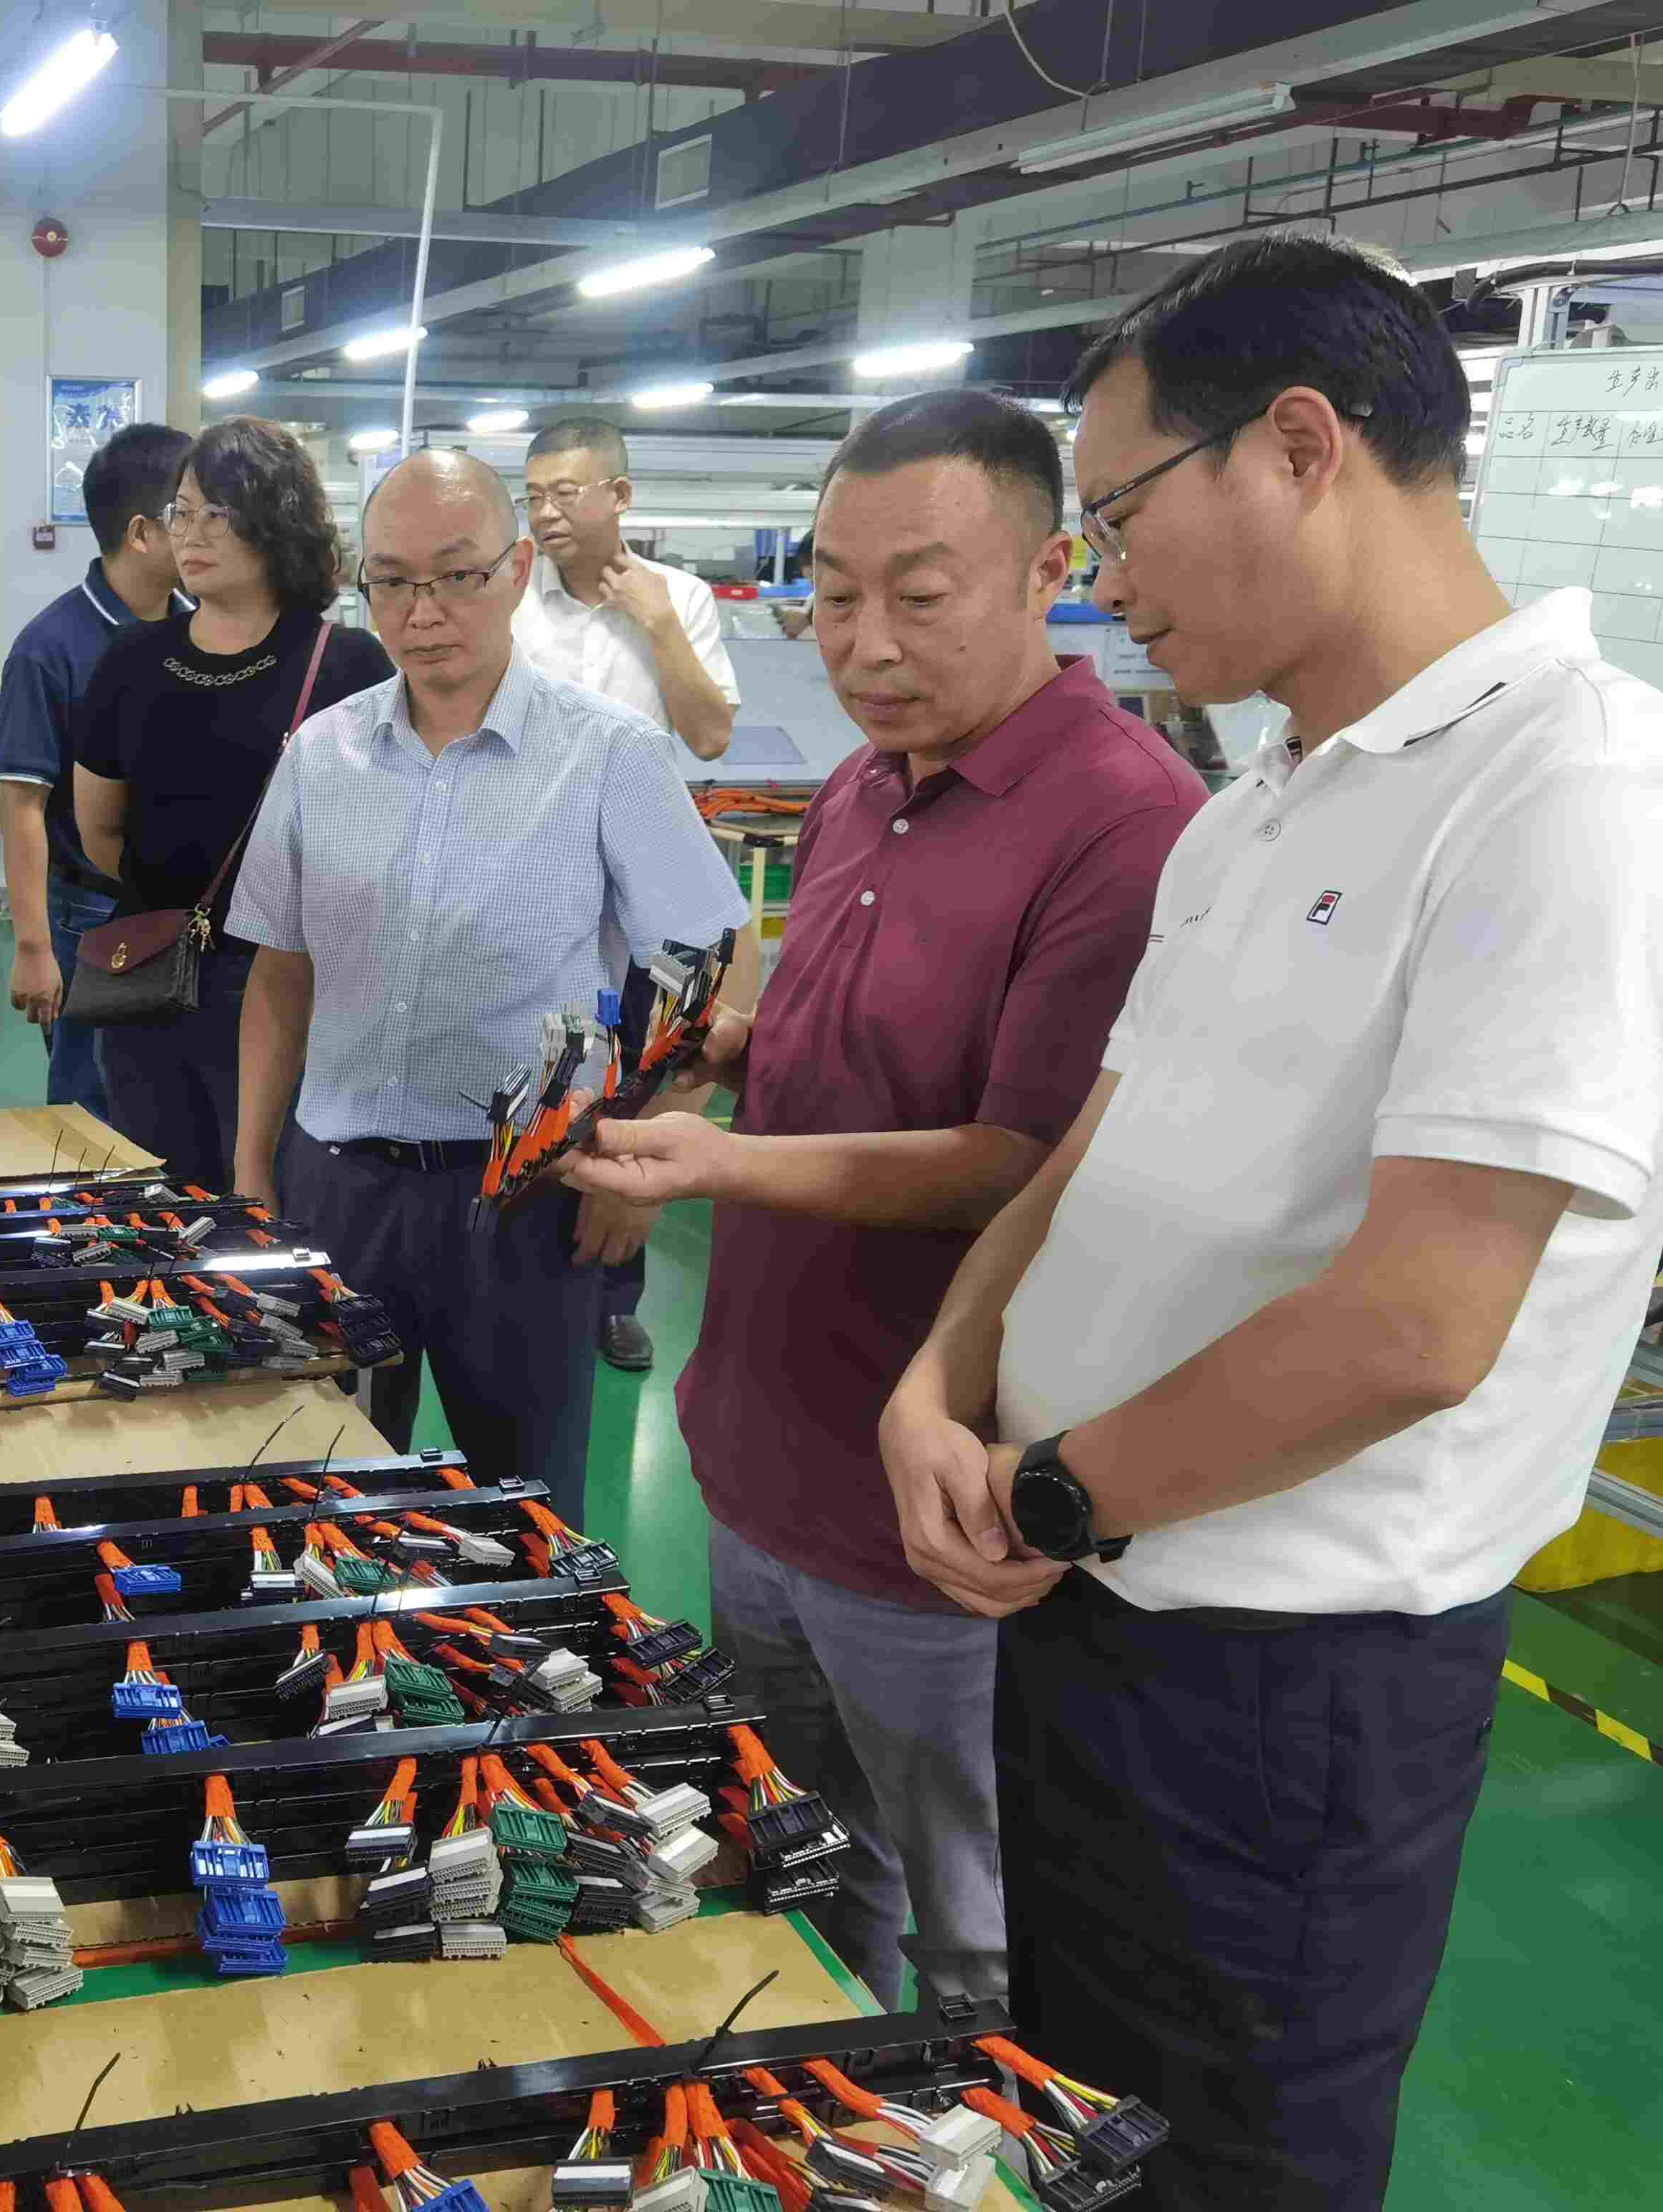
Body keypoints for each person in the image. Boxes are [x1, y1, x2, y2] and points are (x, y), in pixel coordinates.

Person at [879, 236, 1663, 2208]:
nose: (1102, 574)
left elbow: (1418, 1321)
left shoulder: (1571, 787)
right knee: (1081, 2123)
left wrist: (1055, 1494)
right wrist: (939, 1378)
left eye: (1122, 510)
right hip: (1094, 1607)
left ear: (1300, 446)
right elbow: (1094, 1148)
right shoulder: (1255, 802)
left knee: (1229, 2162)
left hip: (1287, 1688)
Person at [560, 390, 1204, 2010]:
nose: (865, 644)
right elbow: (836, 1043)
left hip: (924, 1518)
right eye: (834, 596)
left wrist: (716, 1165)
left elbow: (1026, 1162)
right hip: (758, 1458)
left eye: (918, 596)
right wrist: (724, 1053)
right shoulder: (864, 782)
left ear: (1051, 571)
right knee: (798, 1861)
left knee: (969, 1926)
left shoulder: (1127, 828)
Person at [228, 449, 743, 1526]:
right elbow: (281, 973)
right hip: (338, 1189)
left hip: (525, 1200)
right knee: (324, 1500)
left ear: (515, 571)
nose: (423, 612)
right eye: (392, 580)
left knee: (528, 1512)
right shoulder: (320, 755)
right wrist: (249, 1167)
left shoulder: (609, 754)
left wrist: (637, 1161)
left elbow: (712, 962)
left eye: (457, 575)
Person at [70, 418, 393, 1193]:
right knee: (162, 1195)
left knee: (280, 1195)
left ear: (276, 520)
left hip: (292, 986)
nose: (191, 533)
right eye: (182, 512)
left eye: (217, 512)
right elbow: (99, 829)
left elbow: (379, 841)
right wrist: (185, 908)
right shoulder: (133, 660)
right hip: (151, 978)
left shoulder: (347, 666)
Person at [514, 415, 745, 1374]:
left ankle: (615, 1295)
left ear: (619, 496)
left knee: (638, 1082)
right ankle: (529, 1274)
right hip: (538, 879)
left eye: (566, 492)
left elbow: (711, 736)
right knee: (546, 1073)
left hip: (647, 892)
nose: (546, 512)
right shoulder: (511, 599)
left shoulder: (677, 597)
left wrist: (656, 625)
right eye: (533, 495)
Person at [0, 422, 195, 1123]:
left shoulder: (202, 631)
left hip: (192, 910)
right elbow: (23, 804)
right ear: (142, 533)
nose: (208, 530)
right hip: (95, 915)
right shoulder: (50, 649)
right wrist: (33, 948)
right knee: (95, 1110)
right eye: (189, 513)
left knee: (177, 1106)